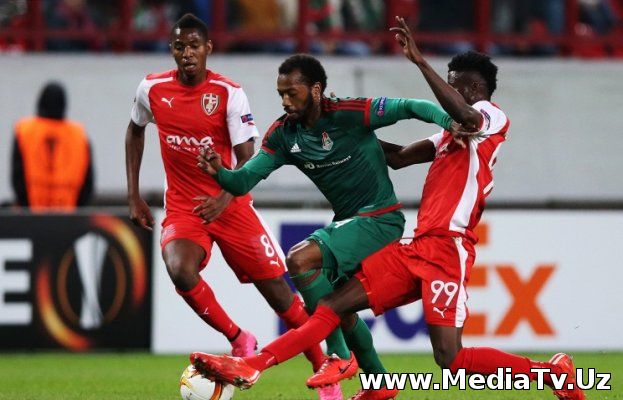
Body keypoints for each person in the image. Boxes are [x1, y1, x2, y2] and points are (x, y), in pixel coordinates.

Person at [189, 17, 586, 400]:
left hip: (449, 250)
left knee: (451, 359)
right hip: (419, 245)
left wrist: (420, 62)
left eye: (452, 86)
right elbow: (397, 158)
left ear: (473, 87)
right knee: (333, 304)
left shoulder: (491, 118)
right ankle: (257, 365)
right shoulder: (448, 136)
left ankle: (551, 372)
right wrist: (342, 134)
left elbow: (464, 115)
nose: (447, 93)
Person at [193, 52, 461, 398]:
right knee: (341, 308)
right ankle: (380, 384)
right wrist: (220, 172)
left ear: (316, 89)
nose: (285, 101)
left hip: (380, 217)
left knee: (299, 259)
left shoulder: (350, 113)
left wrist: (448, 122)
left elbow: (411, 105)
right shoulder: (283, 135)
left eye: (292, 93)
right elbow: (243, 181)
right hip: (350, 222)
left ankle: (338, 356)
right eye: (281, 94)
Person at [124, 14, 340, 400]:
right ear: (171, 50)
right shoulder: (152, 88)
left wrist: (225, 195)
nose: (187, 53)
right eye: (179, 46)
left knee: (281, 296)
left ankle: (325, 372)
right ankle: (239, 339)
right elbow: (134, 130)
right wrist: (133, 195)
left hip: (232, 206)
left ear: (208, 48)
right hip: (185, 208)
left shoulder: (227, 93)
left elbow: (246, 155)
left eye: (194, 46)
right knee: (179, 269)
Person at [11, 81, 94, 211]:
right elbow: (88, 182)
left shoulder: (25, 131)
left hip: (31, 214)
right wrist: (76, 213)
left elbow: (17, 176)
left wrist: (27, 209)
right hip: (68, 215)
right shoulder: (78, 135)